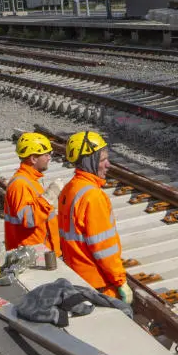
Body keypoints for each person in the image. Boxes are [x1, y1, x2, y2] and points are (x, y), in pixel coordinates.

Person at [57, 130, 132, 305]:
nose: (108, 165)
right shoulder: (93, 196)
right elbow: (104, 248)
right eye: (103, 160)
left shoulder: (70, 189)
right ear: (90, 162)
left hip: (76, 275)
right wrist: (120, 281)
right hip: (97, 282)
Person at [4, 132, 62, 256]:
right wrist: (49, 197)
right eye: (46, 154)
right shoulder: (19, 184)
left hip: (41, 252)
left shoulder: (30, 181)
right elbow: (29, 219)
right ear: (33, 159)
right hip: (32, 256)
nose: (49, 158)